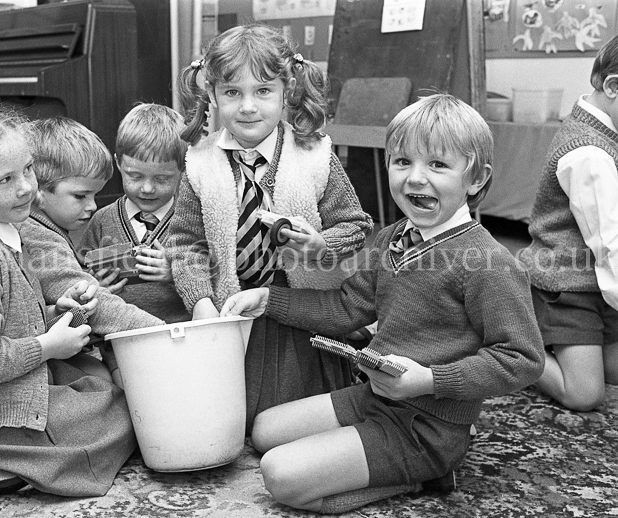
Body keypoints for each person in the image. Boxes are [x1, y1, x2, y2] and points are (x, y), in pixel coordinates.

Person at [219, 94, 545, 514]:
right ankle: (373, 454)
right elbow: (345, 309)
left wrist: (429, 380)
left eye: (438, 165)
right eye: (402, 162)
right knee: (264, 432)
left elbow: (521, 359)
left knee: (280, 475)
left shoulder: (488, 263)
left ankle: (424, 473)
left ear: (477, 179)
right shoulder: (391, 239)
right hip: (375, 397)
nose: (415, 178)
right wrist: (269, 300)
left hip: (426, 426)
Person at [0, 107, 140, 504]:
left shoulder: (1, 232)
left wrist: (63, 314)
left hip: (8, 384)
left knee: (103, 389)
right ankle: (9, 463)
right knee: (128, 418)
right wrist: (49, 347)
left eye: (28, 170)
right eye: (6, 179)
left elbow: (10, 320)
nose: (26, 188)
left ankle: (11, 456)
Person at [169, 23, 373, 431]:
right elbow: (185, 244)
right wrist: (199, 301)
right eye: (232, 93)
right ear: (211, 95)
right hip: (233, 311)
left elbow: (355, 225)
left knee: (285, 421)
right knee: (231, 423)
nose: (247, 106)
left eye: (262, 91)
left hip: (301, 314)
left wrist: (319, 244)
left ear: (286, 90)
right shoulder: (200, 163)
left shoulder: (314, 155)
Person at [18, 115, 165, 384]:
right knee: (109, 388)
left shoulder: (39, 226)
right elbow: (100, 306)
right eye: (80, 196)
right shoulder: (36, 235)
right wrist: (163, 332)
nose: (92, 206)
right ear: (38, 189)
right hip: (18, 362)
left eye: (94, 195)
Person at [519, 35, 618, 412]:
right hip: (563, 288)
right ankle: (508, 345)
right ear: (612, 86)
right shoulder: (590, 154)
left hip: (595, 284)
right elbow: (612, 244)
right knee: (585, 394)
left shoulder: (600, 127)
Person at [79, 103, 191, 323]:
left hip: (179, 343)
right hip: (118, 347)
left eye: (162, 179)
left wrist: (175, 274)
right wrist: (95, 287)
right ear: (119, 164)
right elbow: (79, 275)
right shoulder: (102, 221)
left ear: (183, 171)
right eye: (135, 176)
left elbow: (213, 280)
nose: (147, 188)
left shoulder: (191, 221)